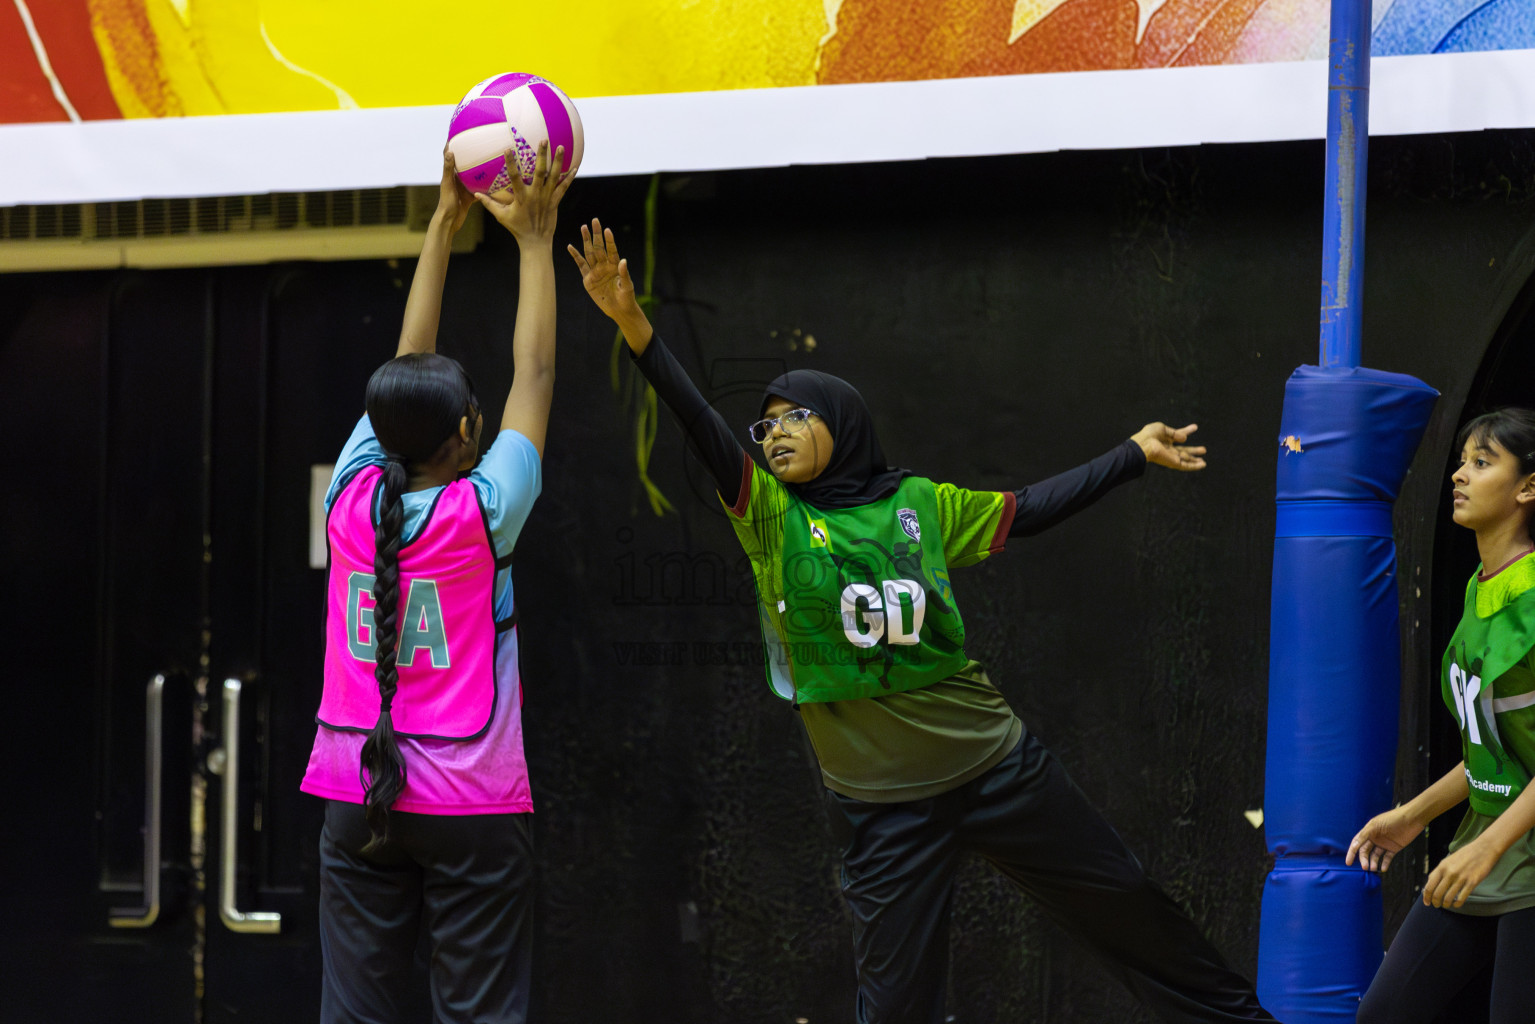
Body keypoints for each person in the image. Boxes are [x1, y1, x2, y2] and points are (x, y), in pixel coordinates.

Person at [568, 219, 1275, 1023]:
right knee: (896, 1004)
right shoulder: (767, 516)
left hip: (996, 769)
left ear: (843, 422)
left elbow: (1028, 509)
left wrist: (1130, 453)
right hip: (879, 807)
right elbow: (700, 422)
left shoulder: (918, 504)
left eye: (793, 416)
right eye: (763, 426)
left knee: (1132, 912)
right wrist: (631, 321)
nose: (772, 435)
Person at [299, 141, 571, 1024]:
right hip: (471, 801)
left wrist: (440, 227)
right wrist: (534, 241)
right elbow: (535, 371)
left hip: (352, 790)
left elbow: (401, 372)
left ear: (382, 433)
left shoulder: (350, 499)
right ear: (466, 431)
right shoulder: (483, 514)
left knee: (357, 1013)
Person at [1350, 409, 1535, 1024]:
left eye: (1482, 463)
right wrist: (1408, 818)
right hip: (1487, 844)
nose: (1459, 475)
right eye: (1462, 461)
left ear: (1527, 489)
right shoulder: (1481, 588)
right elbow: (1492, 749)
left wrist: (1488, 849)